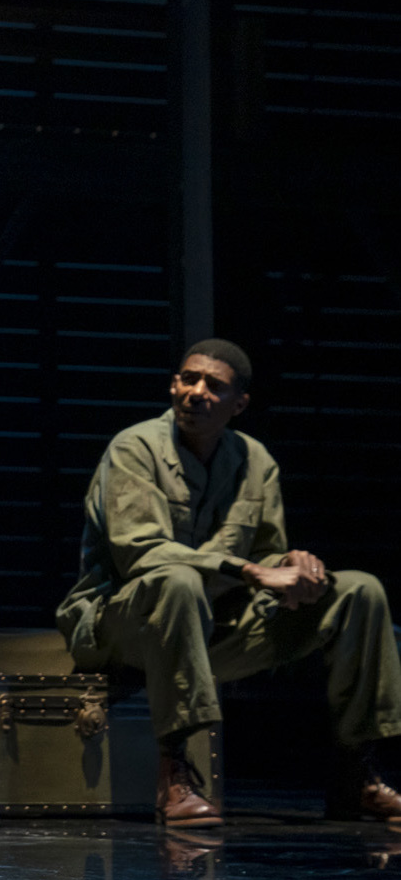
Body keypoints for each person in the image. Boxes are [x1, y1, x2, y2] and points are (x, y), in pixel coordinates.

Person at [57, 339, 401, 827]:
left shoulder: (255, 460)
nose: (195, 392)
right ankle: (174, 772)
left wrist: (294, 567)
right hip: (124, 627)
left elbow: (266, 556)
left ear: (239, 404)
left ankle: (355, 773)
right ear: (173, 385)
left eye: (213, 385)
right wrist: (249, 570)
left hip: (216, 628)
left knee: (360, 591)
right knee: (177, 582)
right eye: (188, 379)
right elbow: (141, 553)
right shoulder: (135, 448)